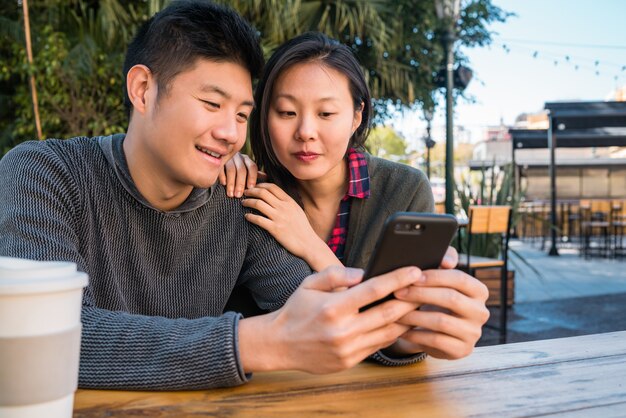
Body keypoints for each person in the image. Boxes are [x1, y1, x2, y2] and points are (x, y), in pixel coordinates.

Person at [0, 1, 483, 391]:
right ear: (143, 90)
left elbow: (317, 315)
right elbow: (38, 337)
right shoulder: (45, 174)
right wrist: (253, 344)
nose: (230, 133)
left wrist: (406, 331)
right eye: (212, 104)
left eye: (241, 113)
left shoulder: (238, 199)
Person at [225, 32, 489, 358]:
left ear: (356, 116)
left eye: (326, 114)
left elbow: (404, 323)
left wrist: (308, 243)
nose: (305, 131)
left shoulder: (404, 190)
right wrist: (222, 157)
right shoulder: (251, 192)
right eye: (287, 113)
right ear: (264, 116)